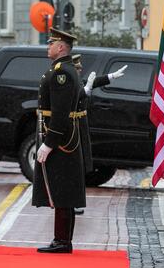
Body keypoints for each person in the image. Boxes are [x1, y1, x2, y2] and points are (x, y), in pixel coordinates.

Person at [33, 28, 85, 254]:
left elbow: (60, 112)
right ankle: (62, 239)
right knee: (63, 188)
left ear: (61, 47)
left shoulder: (61, 73)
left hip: (62, 140)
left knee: (61, 189)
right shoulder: (62, 69)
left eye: (51, 43)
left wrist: (50, 142)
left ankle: (62, 240)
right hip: (64, 137)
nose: (48, 47)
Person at [72, 54, 127, 214]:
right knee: (75, 166)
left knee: (81, 165)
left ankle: (76, 201)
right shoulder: (69, 83)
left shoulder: (76, 81)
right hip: (73, 128)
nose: (80, 69)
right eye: (77, 67)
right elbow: (78, 93)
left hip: (81, 126)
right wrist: (86, 89)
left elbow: (91, 83)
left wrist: (111, 76)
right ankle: (72, 201)